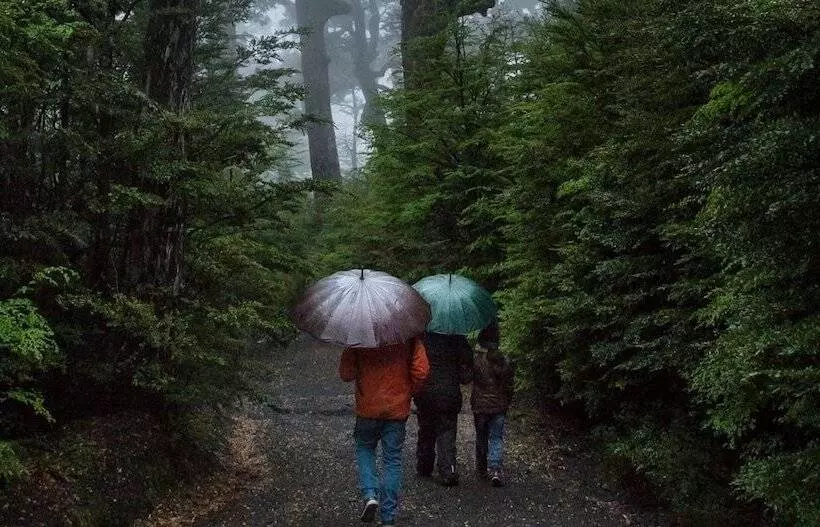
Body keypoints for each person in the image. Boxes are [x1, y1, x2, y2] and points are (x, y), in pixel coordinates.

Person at [339, 337, 429, 526]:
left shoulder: (359, 336)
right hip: (397, 409)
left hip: (368, 408)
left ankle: (370, 494)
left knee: (365, 449)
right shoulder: (408, 336)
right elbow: (421, 372)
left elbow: (346, 374)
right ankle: (388, 516)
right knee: (392, 459)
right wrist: (407, 391)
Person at [413, 332, 473, 486]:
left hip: (426, 391)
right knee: (447, 430)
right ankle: (448, 469)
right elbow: (466, 370)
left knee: (426, 428)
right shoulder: (457, 337)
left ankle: (424, 465)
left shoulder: (422, 336)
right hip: (449, 392)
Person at [471, 322, 514, 487]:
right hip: (499, 406)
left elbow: (468, 378)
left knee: (481, 437)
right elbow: (509, 385)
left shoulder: (476, 360)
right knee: (496, 437)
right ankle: (495, 469)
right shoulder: (504, 361)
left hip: (480, 406)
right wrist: (507, 401)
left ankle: (482, 468)